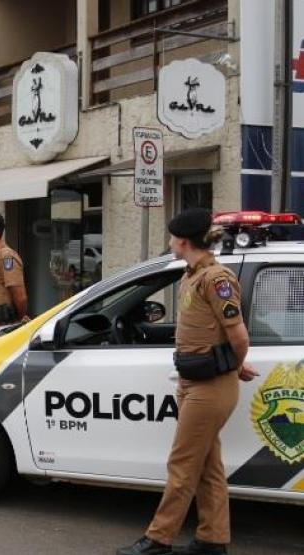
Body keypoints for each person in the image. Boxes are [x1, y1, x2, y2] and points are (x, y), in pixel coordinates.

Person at [117, 209, 258, 555]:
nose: (169, 242)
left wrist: (236, 365)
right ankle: (213, 540)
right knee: (208, 465)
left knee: (182, 464)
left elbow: (238, 335)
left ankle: (159, 539)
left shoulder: (216, 279)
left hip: (210, 386)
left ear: (182, 241)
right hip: (195, 381)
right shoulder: (192, 275)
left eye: (171, 237)